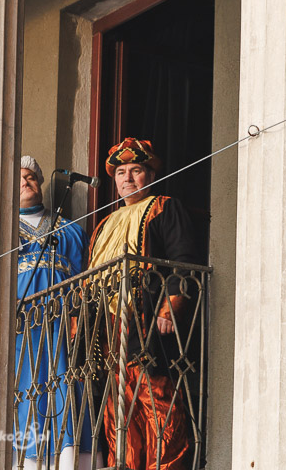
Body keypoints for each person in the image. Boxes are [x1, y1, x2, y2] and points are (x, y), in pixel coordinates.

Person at [88, 137, 199, 470]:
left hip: (146, 318)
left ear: (150, 175)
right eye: (121, 172)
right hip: (110, 328)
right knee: (118, 409)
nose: (127, 178)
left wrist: (169, 307)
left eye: (136, 170)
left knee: (157, 401)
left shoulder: (164, 206)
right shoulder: (104, 223)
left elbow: (183, 259)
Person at [15, 155, 92, 470]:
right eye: (19, 178)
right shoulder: (0, 228)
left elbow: (83, 280)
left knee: (62, 384)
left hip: (61, 324)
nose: (25, 182)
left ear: (40, 183)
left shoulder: (70, 230)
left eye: (31, 177)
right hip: (20, 329)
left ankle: (67, 458)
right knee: (25, 388)